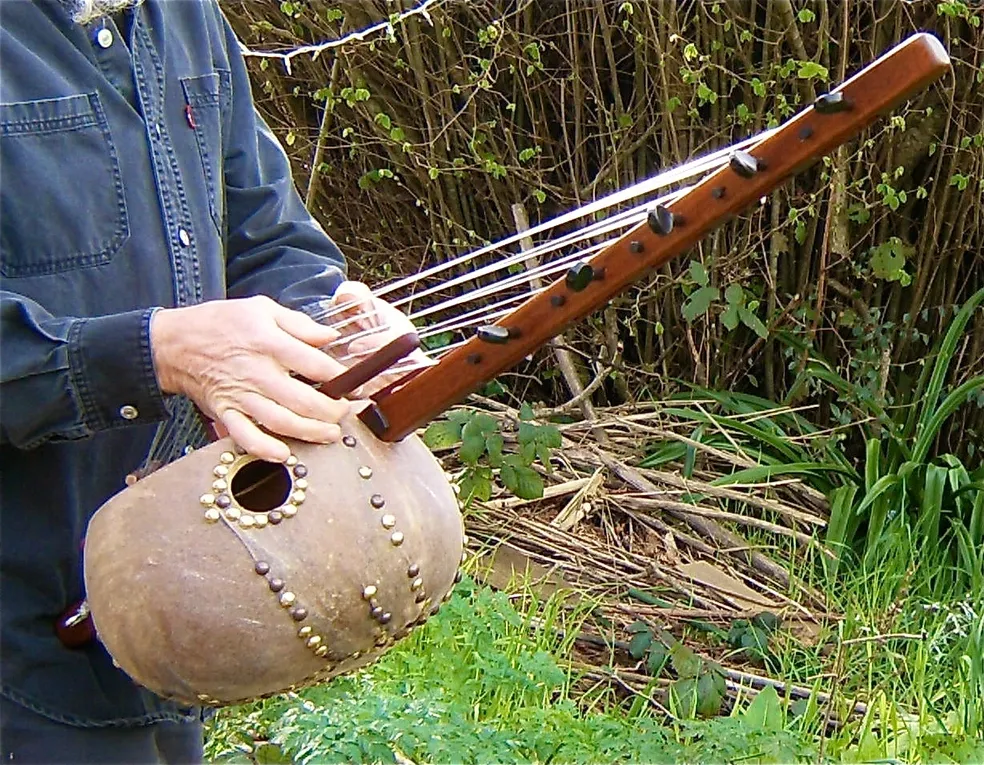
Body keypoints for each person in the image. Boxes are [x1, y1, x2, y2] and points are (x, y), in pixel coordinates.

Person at [0, 0, 413, 761]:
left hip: (175, 616)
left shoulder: (185, 18)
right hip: (18, 648)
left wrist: (330, 326)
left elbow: (272, 240)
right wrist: (155, 351)